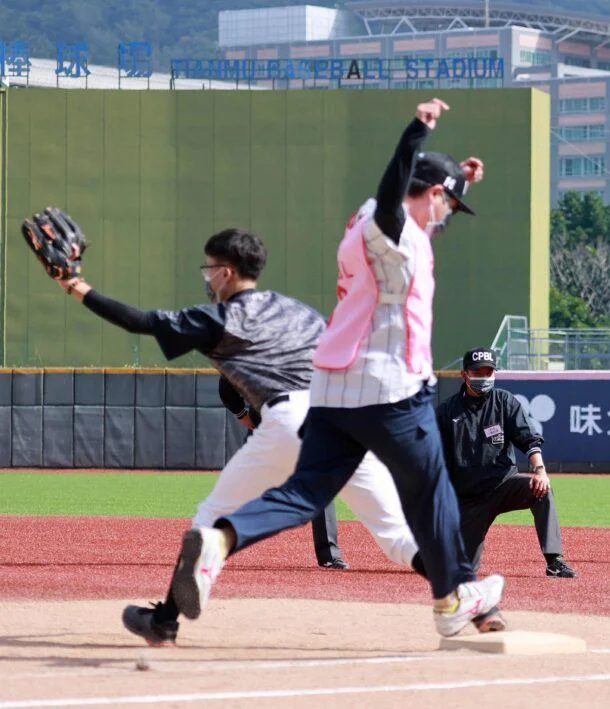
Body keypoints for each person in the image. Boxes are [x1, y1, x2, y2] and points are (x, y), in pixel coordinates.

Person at [157, 98, 505, 638]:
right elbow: (398, 198)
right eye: (449, 205)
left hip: (333, 388)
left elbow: (403, 199)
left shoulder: (364, 218)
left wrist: (456, 176)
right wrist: (416, 132)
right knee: (432, 492)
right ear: (431, 193)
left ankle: (221, 539)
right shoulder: (392, 228)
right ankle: (452, 601)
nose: (448, 218)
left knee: (303, 494)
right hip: (391, 386)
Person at [49, 226, 419, 646]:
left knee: (211, 519)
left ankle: (166, 620)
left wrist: (74, 284)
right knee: (397, 535)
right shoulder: (296, 311)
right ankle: (466, 596)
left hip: (290, 419)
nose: (207, 277)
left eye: (210, 268)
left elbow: (140, 322)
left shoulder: (218, 318)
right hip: (345, 419)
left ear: (226, 272)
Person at [437, 347, 576, 580]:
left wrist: (540, 470)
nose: (484, 377)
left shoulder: (504, 401)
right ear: (464, 374)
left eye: (489, 372)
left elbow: (528, 439)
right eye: (477, 372)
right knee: (463, 568)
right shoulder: (446, 412)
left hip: (503, 485)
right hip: (468, 498)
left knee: (541, 490)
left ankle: (555, 560)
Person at [218, 376, 348, 569]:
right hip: (289, 425)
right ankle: (329, 555)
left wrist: (242, 414)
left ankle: (210, 542)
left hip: (277, 424)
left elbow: (226, 386)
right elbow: (226, 385)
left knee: (240, 488)